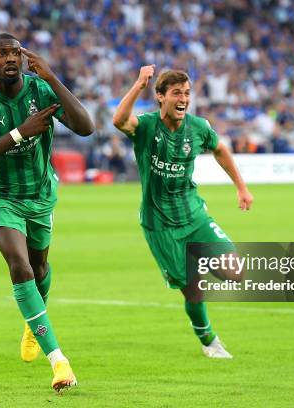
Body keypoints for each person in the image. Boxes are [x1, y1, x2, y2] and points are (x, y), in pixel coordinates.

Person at [0, 33, 94, 391]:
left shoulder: (40, 90)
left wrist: (52, 78)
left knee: (40, 267)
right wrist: (20, 133)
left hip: (39, 194)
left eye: (15, 52)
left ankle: (34, 323)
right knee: (20, 266)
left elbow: (86, 127)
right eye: (1, 54)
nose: (9, 58)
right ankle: (59, 361)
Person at [113, 66, 253, 358]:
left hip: (193, 213)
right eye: (176, 93)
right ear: (160, 97)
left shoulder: (199, 127)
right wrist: (139, 83)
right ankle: (209, 341)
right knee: (193, 290)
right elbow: (118, 120)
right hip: (159, 224)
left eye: (187, 93)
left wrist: (241, 187)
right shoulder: (147, 126)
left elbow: (220, 150)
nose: (183, 99)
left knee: (235, 271)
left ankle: (197, 261)